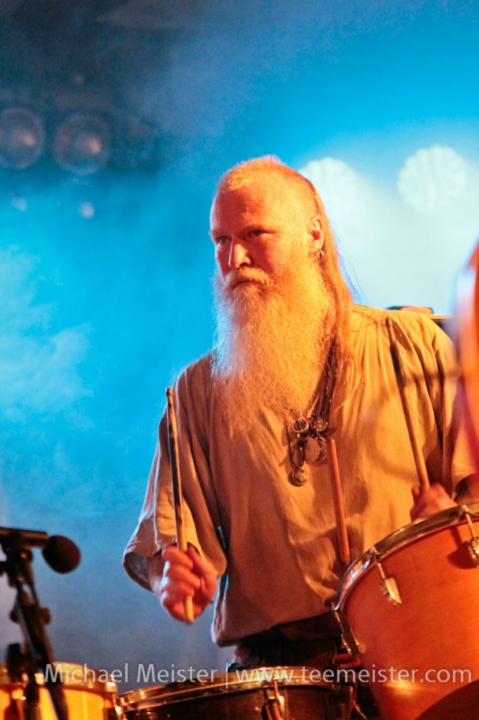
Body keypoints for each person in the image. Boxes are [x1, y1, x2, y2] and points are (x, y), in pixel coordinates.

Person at [124, 156, 478, 670]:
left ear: (314, 236)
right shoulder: (196, 392)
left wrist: (454, 523)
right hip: (284, 674)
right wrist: (170, 577)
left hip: (421, 649)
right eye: (220, 241)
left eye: (255, 234)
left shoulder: (413, 347)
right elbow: (169, 544)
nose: (235, 258)